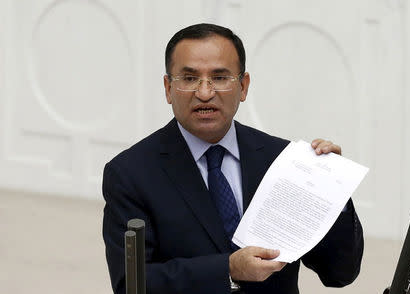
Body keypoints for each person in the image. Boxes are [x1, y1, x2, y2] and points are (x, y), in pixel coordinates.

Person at [102, 23, 363, 294]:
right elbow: (132, 284)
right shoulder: (130, 174)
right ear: (168, 88)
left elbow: (339, 273)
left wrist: (333, 192)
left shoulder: (282, 160)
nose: (204, 93)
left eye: (219, 77)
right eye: (189, 79)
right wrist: (227, 269)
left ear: (243, 86)